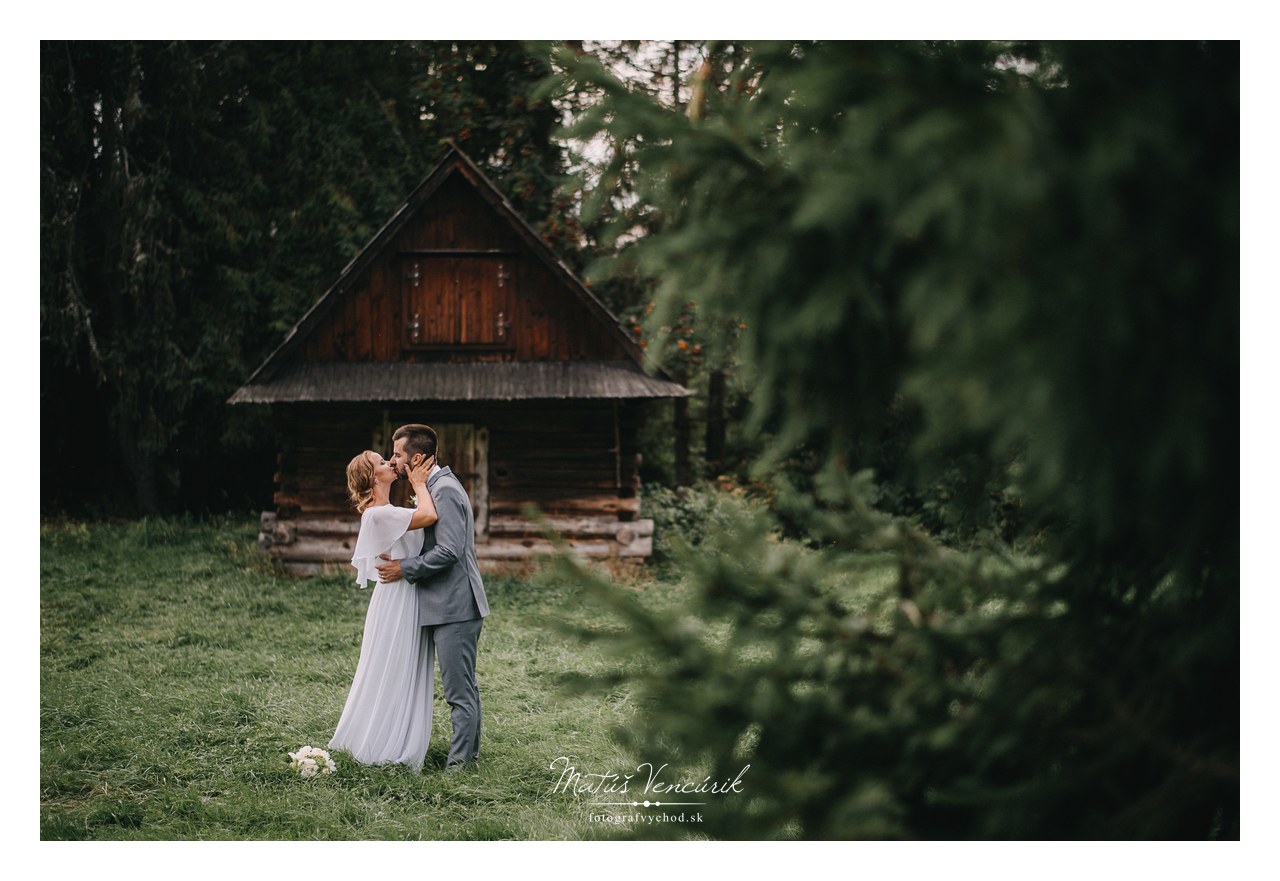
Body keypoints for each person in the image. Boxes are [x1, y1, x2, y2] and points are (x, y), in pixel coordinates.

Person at [377, 424, 489, 772]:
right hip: (446, 605)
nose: (393, 460)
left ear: (418, 458)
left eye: (398, 455)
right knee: (464, 687)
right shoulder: (433, 487)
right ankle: (467, 758)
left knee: (458, 692)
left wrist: (404, 569)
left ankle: (459, 768)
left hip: (455, 606)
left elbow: (451, 551)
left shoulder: (446, 491)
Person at [329, 450, 438, 771]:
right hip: (397, 600)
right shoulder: (379, 514)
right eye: (381, 462)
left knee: (401, 666)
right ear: (373, 477)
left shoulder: (387, 511)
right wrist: (419, 483)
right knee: (393, 666)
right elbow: (429, 517)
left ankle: (395, 734)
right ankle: (384, 743)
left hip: (403, 594)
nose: (390, 463)